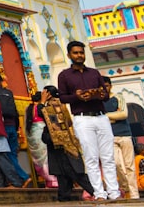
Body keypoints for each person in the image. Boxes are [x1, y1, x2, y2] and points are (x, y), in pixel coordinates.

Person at [57, 40, 120, 201]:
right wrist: (77, 96)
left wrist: (98, 94)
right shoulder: (64, 75)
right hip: (82, 119)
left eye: (81, 52)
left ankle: (114, 192)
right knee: (91, 157)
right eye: (76, 53)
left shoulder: (94, 73)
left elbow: (105, 95)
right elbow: (63, 97)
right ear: (69, 55)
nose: (79, 55)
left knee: (108, 157)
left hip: (101, 117)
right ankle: (99, 193)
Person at [40, 85, 96, 202]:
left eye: (44, 92)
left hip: (62, 144)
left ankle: (95, 191)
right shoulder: (59, 104)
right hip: (59, 144)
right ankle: (63, 197)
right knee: (62, 174)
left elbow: (43, 114)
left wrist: (42, 102)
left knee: (74, 172)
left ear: (48, 94)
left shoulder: (53, 105)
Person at [0, 73, 30, 185]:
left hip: (1, 127)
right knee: (12, 154)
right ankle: (7, 181)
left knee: (4, 155)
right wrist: (16, 128)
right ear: (1, 81)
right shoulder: (9, 93)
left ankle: (23, 177)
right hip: (12, 126)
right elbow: (15, 111)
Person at [102, 76, 139, 199]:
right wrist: (113, 116)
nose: (105, 88)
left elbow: (123, 114)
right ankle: (125, 186)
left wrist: (106, 116)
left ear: (110, 86)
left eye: (106, 85)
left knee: (130, 165)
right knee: (116, 163)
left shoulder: (118, 97)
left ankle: (134, 194)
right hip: (109, 136)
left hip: (124, 134)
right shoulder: (98, 102)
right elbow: (99, 120)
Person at [25, 91, 54, 188]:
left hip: (33, 135)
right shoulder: (40, 108)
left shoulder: (28, 108)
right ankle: (52, 180)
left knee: (40, 159)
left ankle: (48, 179)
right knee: (46, 157)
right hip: (41, 133)